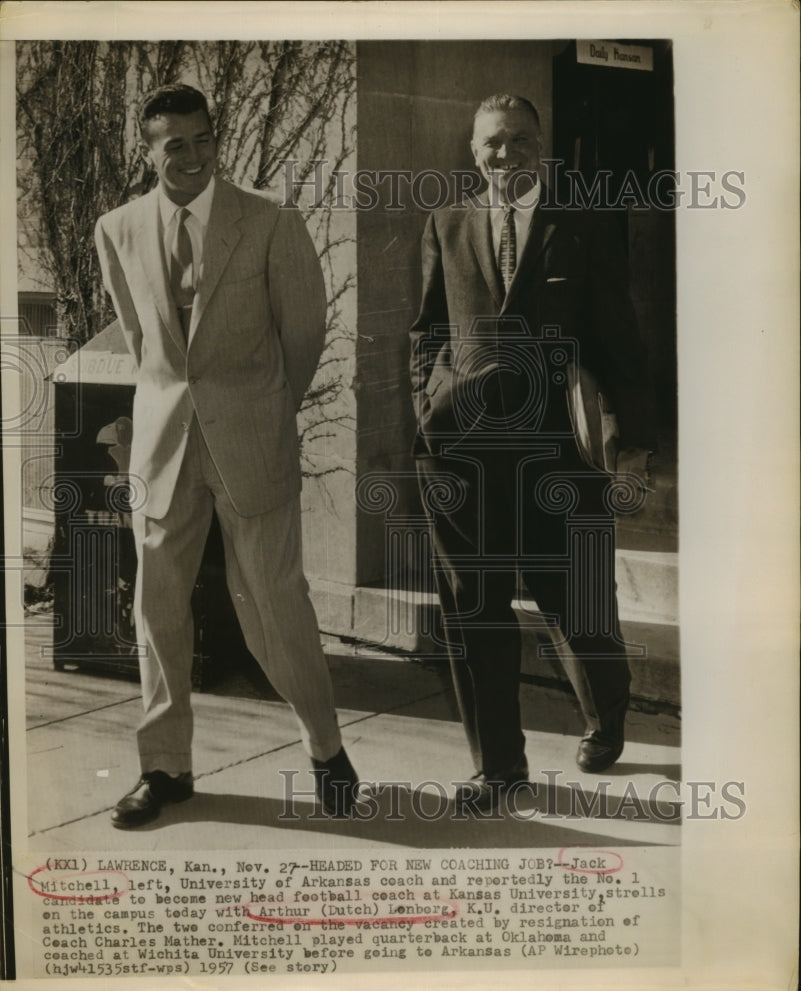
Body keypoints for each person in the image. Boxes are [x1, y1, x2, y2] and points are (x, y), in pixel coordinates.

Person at [95, 83, 358, 827]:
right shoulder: (115, 229)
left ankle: (326, 750)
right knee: (157, 612)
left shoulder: (270, 222)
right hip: (161, 452)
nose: (193, 155)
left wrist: (262, 412)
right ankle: (165, 769)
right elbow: (146, 347)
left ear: (217, 139)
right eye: (174, 144)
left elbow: (302, 336)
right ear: (148, 152)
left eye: (203, 138)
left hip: (252, 444)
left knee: (276, 606)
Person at [409, 93, 656, 812]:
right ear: (471, 148)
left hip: (559, 456)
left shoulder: (581, 227)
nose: (504, 154)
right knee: (473, 607)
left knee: (578, 604)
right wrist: (427, 405)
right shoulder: (445, 222)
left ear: (540, 146)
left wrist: (632, 443)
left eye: (518, 140)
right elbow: (425, 330)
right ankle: (498, 768)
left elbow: (619, 341)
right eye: (491, 142)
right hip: (459, 453)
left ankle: (605, 712)